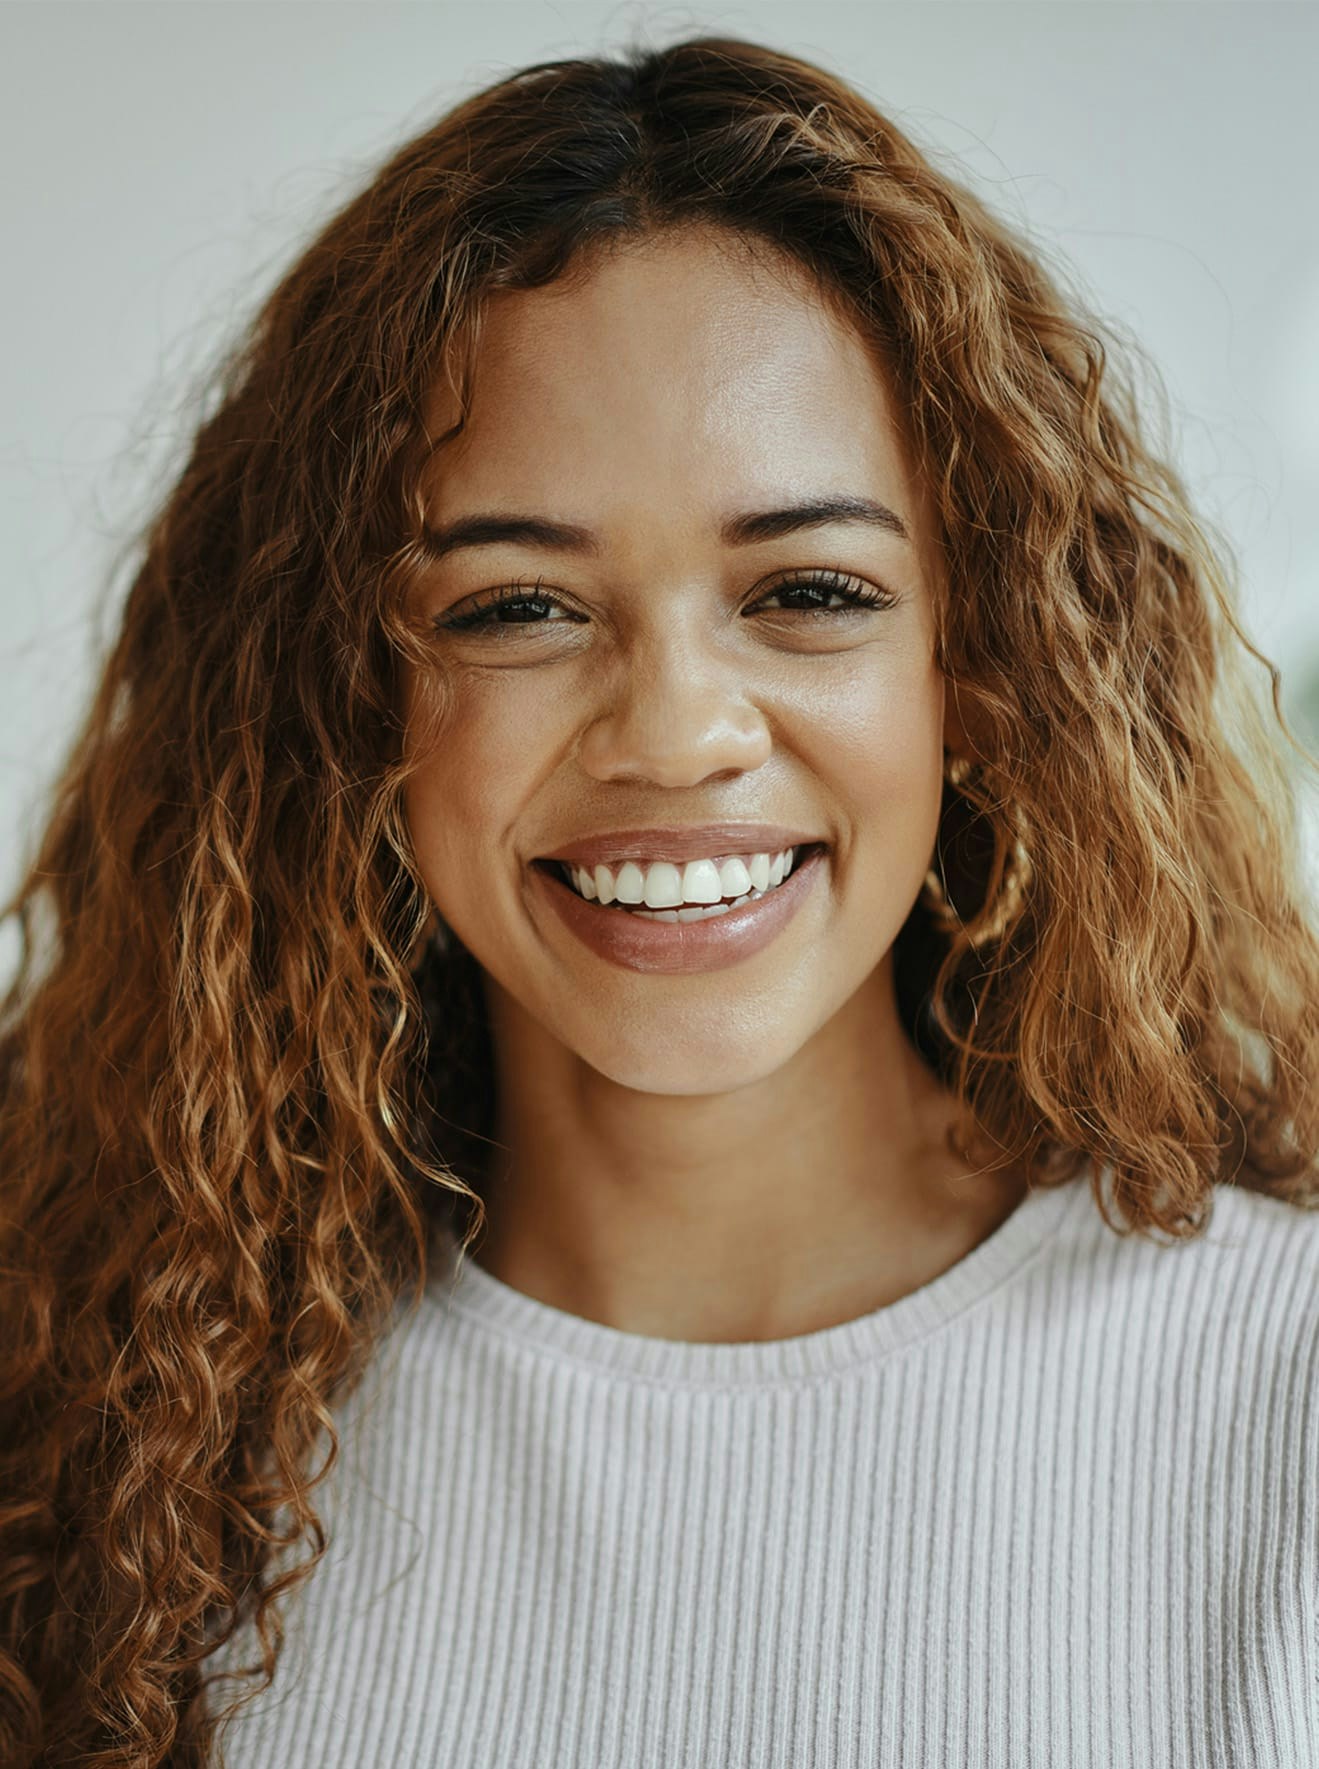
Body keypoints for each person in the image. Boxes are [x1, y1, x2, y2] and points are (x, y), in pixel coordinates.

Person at [2, 32, 1317, 1769]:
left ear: (979, 666)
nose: (678, 733)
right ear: (348, 702)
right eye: (516, 608)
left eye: (811, 588)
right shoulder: (99, 1454)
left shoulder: (1282, 1404)